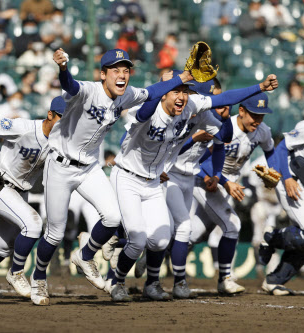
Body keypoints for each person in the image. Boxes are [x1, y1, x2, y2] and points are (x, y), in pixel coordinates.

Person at [29, 48, 196, 306]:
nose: (122, 75)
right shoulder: (87, 90)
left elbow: (152, 92)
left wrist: (182, 77)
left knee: (113, 217)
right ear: (103, 74)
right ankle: (38, 278)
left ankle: (84, 256)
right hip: (60, 164)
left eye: (126, 70)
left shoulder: (126, 94)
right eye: (115, 70)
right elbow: (69, 85)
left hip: (89, 166)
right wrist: (63, 68)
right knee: (55, 232)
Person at [107, 74, 277, 302]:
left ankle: (147, 272)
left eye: (186, 92)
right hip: (154, 174)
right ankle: (121, 265)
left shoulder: (197, 108)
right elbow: (128, 139)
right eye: (178, 91)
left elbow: (223, 135)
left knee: (162, 238)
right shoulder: (153, 108)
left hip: (166, 176)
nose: (183, 97)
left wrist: (256, 90)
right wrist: (195, 138)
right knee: (165, 232)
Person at [0, 96, 65, 299]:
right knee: (33, 225)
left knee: (2, 246)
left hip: (19, 192)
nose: (64, 123)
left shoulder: (60, 143)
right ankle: (16, 273)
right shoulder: (24, 127)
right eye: (61, 117)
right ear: (50, 114)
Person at [189, 92, 278, 295]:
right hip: (206, 180)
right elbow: (202, 160)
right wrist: (224, 181)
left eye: (262, 115)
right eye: (254, 114)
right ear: (242, 110)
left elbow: (271, 151)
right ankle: (225, 278)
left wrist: (273, 173)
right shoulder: (221, 125)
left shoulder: (263, 131)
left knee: (193, 233)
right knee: (232, 225)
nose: (257, 120)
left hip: (228, 184)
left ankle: (152, 259)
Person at [164, 77, 233, 299]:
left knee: (175, 232)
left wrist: (217, 174)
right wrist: (194, 138)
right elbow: (170, 147)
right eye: (213, 98)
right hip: (168, 174)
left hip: (189, 177)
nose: (217, 102)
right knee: (171, 230)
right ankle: (121, 245)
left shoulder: (208, 116)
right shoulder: (178, 114)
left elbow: (223, 140)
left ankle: (166, 279)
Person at [259, 118, 304, 295]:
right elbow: (281, 148)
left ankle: (274, 281)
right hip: (291, 183)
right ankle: (272, 236)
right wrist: (286, 179)